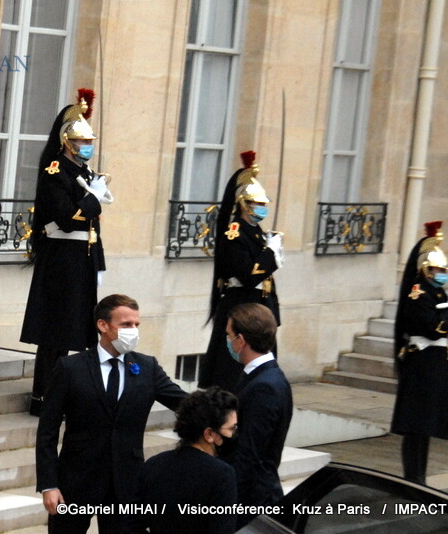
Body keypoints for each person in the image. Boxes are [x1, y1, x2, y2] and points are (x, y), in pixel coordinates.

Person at [35, 294, 186, 534]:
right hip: (75, 482)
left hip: (125, 483)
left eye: (136, 325)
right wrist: (48, 484)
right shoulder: (70, 368)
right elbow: (47, 431)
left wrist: (228, 409)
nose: (133, 330)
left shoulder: (147, 368)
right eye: (126, 325)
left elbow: (186, 404)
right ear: (103, 325)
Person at [20, 88, 114, 416]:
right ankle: (43, 398)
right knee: (56, 331)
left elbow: (91, 227)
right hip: (61, 257)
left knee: (75, 330)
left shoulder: (83, 173)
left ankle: (61, 394)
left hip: (81, 259)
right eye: (82, 142)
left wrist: (98, 262)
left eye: (90, 142)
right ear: (67, 142)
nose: (88, 147)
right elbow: (68, 217)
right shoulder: (56, 170)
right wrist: (93, 199)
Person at [199, 151, 283, 391]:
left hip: (259, 305)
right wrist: (271, 254)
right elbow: (249, 275)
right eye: (257, 204)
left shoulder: (255, 231)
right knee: (233, 371)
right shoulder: (234, 233)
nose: (261, 208)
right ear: (244, 205)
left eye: (263, 204)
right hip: (243, 303)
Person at [391, 221, 448, 484]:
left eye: (444, 269)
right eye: (437, 269)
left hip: (435, 367)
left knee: (425, 428)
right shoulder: (418, 294)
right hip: (422, 366)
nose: (441, 273)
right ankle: (414, 478)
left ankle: (419, 477)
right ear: (426, 269)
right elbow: (435, 328)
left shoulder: (436, 292)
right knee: (416, 428)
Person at [125, 387, 239, 534]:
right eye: (232, 428)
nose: (235, 434)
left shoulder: (154, 464)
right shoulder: (222, 475)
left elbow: (132, 525)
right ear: (209, 434)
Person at [225, 302, 293, 530]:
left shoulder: (265, 386)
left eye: (229, 335)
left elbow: (249, 453)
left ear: (241, 341)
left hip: (252, 502)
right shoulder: (259, 376)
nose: (228, 341)